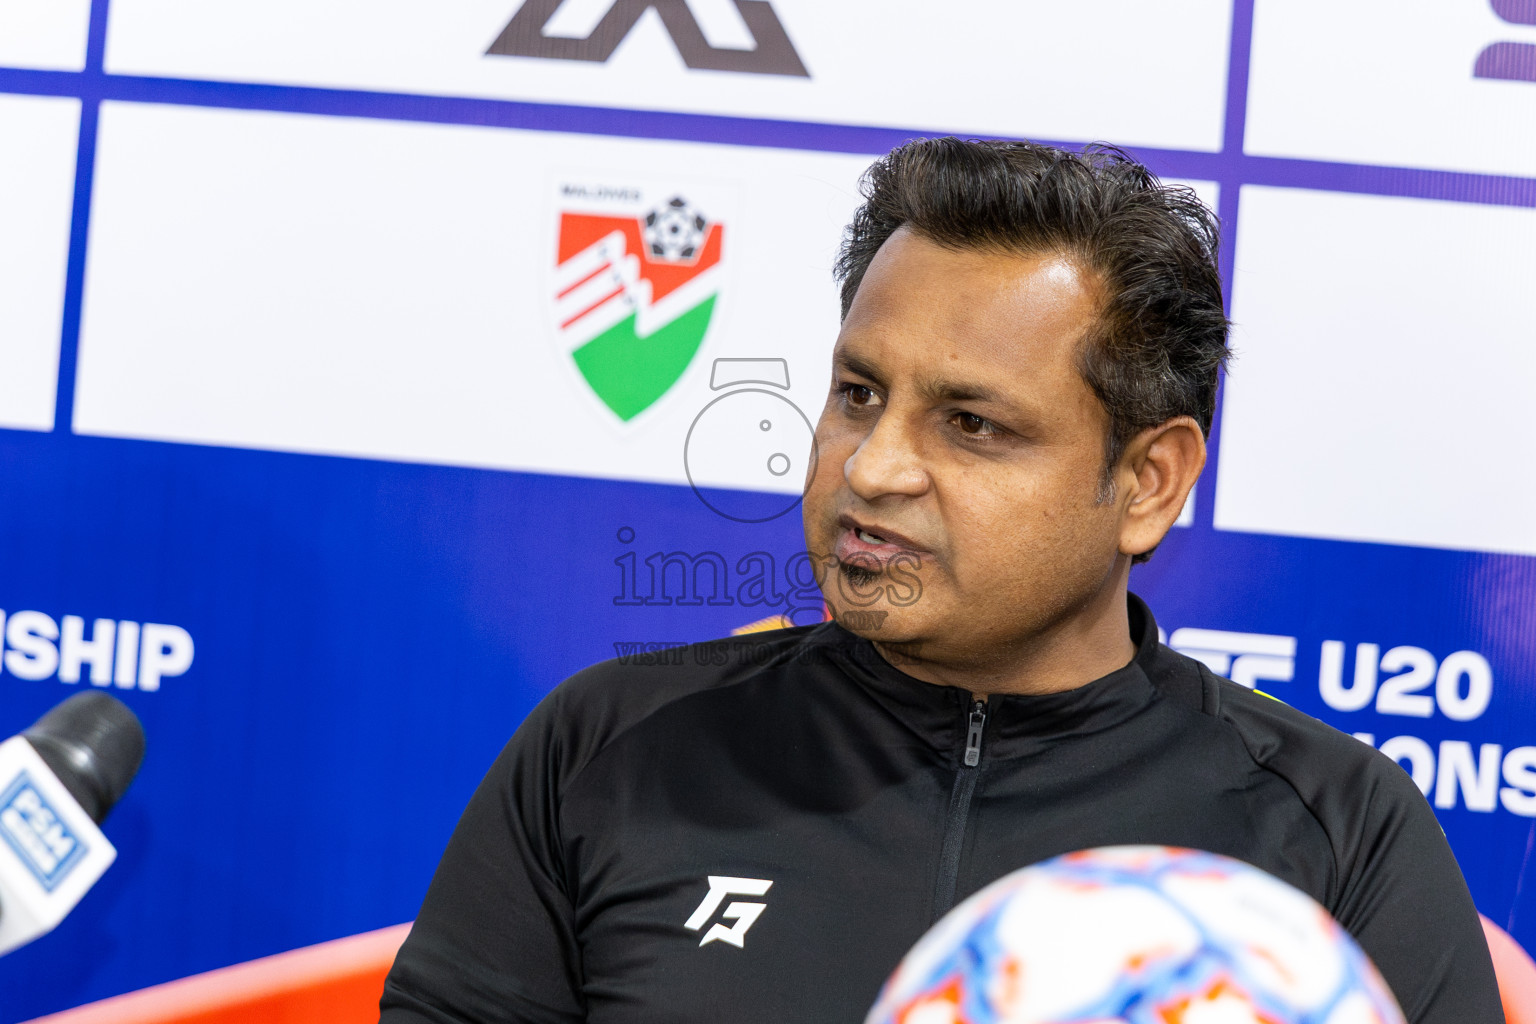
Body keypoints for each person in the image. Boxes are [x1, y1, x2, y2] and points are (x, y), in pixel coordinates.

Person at [378, 138, 1501, 1023]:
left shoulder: (1336, 833)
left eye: (971, 424)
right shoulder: (609, 746)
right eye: (859, 394)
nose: (872, 468)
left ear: (1149, 481)